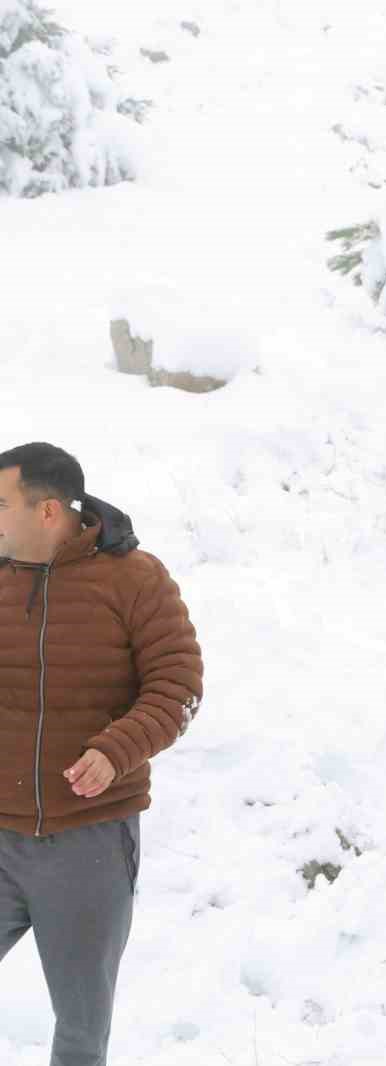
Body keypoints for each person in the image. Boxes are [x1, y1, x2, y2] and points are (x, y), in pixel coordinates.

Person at [0, 442, 204, 1066]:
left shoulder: (136, 579)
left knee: (82, 1031)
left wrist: (117, 751)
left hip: (88, 845)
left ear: (48, 511)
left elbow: (178, 688)